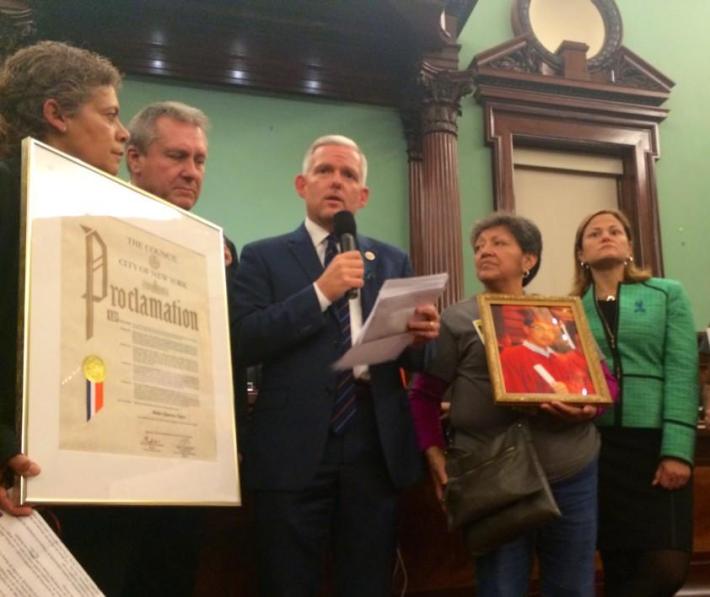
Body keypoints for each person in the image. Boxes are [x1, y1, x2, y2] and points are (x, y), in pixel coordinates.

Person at [233, 134, 440, 596]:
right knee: (287, 580)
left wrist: (422, 335)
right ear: (301, 184)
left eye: (349, 175)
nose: (336, 181)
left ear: (362, 196)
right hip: (292, 442)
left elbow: (415, 359)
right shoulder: (263, 255)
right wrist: (321, 292)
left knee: (367, 581)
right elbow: (245, 339)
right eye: (325, 170)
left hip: (373, 436)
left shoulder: (390, 259)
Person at [409, 212, 605, 597]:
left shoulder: (559, 313)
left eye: (498, 243)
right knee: (501, 588)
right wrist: (435, 458)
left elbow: (603, 382)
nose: (485, 251)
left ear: (528, 260)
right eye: (479, 246)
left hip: (572, 470)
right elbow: (423, 395)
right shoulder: (456, 319)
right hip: (492, 478)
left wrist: (590, 408)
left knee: (573, 587)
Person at [0, 40, 132, 591]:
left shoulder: (93, 217)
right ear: (56, 114)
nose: (124, 133)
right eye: (110, 115)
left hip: (82, 478)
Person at [124, 100, 241, 596]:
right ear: (134, 158)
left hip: (186, 467)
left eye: (199, 160)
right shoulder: (89, 220)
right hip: (107, 460)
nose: (191, 172)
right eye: (176, 156)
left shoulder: (217, 248)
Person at [573, 209, 698, 596]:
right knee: (618, 563)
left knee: (667, 569)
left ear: (629, 245)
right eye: (594, 233)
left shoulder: (667, 293)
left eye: (615, 231)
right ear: (581, 252)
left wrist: (677, 450)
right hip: (597, 448)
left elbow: (682, 369)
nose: (606, 236)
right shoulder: (569, 307)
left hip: (655, 445)